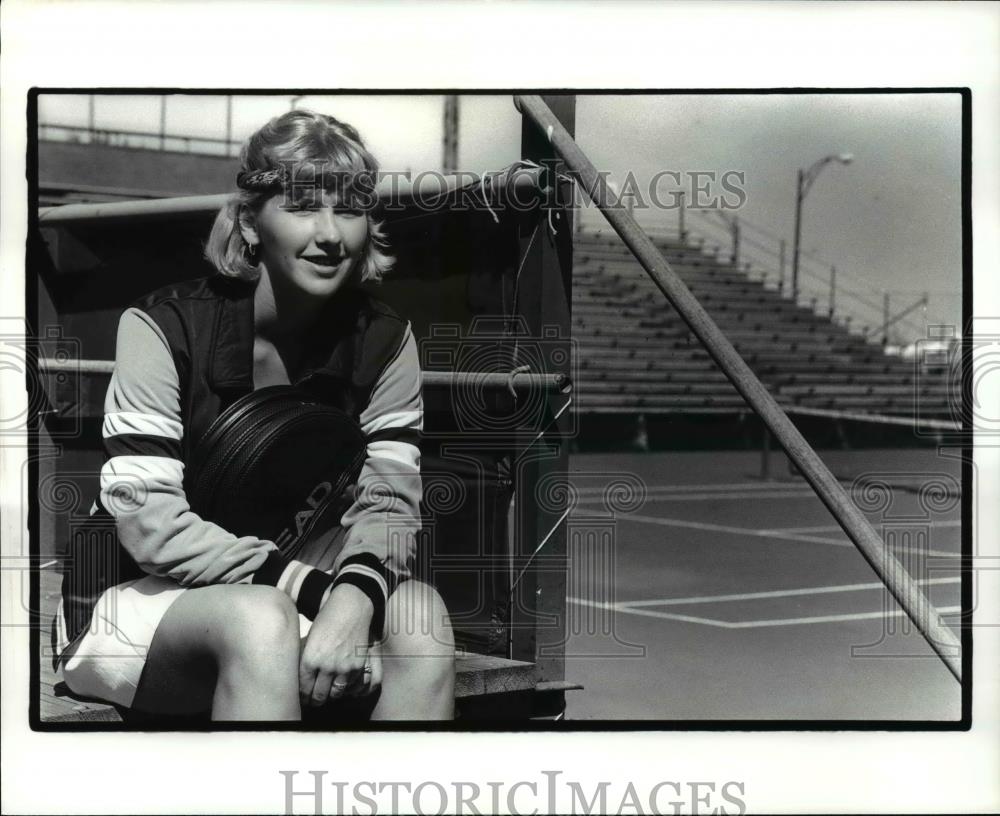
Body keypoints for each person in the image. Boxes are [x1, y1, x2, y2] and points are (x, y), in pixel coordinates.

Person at [53, 109, 455, 721]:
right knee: (258, 622)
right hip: (134, 595)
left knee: (421, 620)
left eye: (348, 209)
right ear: (249, 221)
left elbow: (390, 505)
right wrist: (327, 595)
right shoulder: (163, 327)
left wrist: (356, 593)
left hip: (286, 585)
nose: (330, 235)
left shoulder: (385, 340)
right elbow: (154, 527)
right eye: (301, 207)